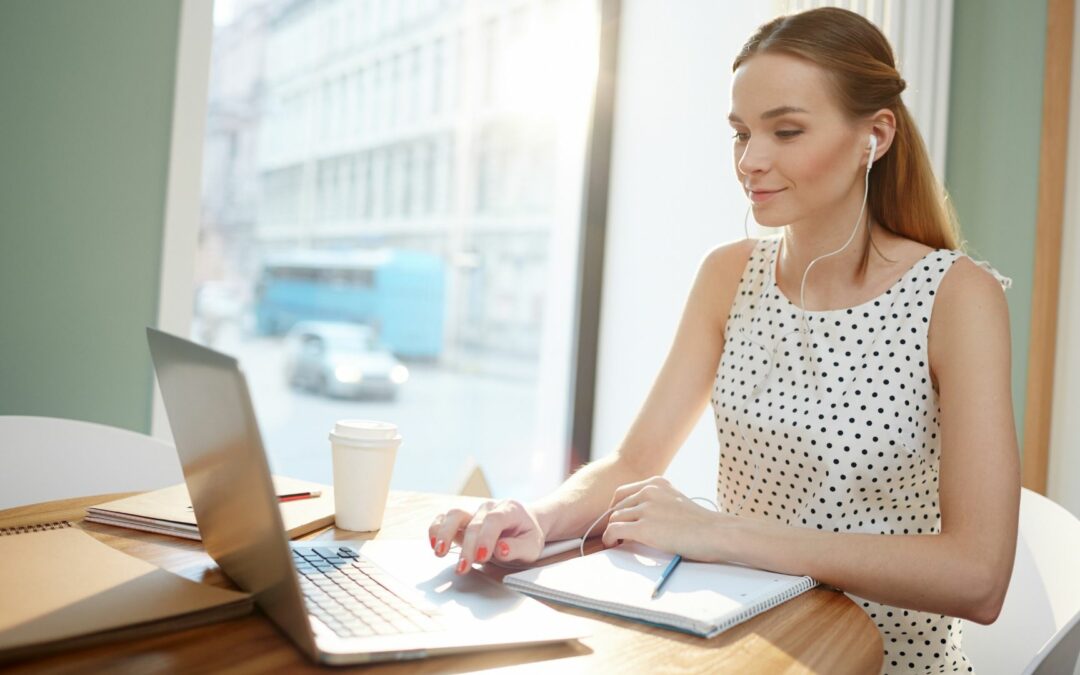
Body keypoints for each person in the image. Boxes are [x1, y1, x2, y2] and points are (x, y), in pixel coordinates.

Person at [428, 7, 1020, 673]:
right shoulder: (728, 274)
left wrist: (725, 534)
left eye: (786, 130)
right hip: (740, 649)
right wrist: (537, 517)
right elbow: (633, 460)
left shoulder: (956, 295)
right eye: (740, 133)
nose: (751, 160)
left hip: (880, 662)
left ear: (874, 135)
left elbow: (978, 575)